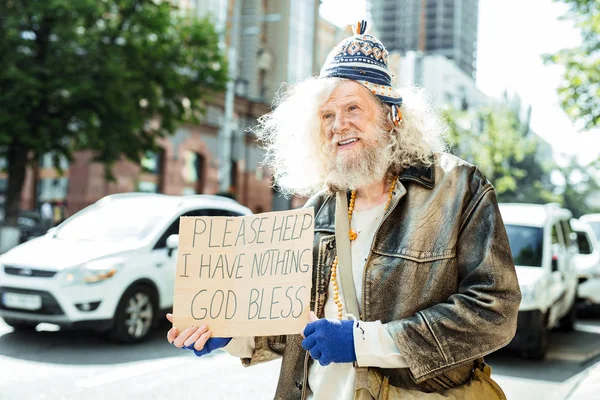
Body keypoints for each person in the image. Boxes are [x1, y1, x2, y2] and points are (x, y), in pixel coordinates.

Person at [166, 21, 521, 399]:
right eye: (326, 115)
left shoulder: (458, 189)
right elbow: (291, 322)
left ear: (392, 115)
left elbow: (494, 312)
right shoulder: (318, 208)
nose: (339, 125)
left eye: (353, 108)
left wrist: (363, 342)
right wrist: (228, 330)